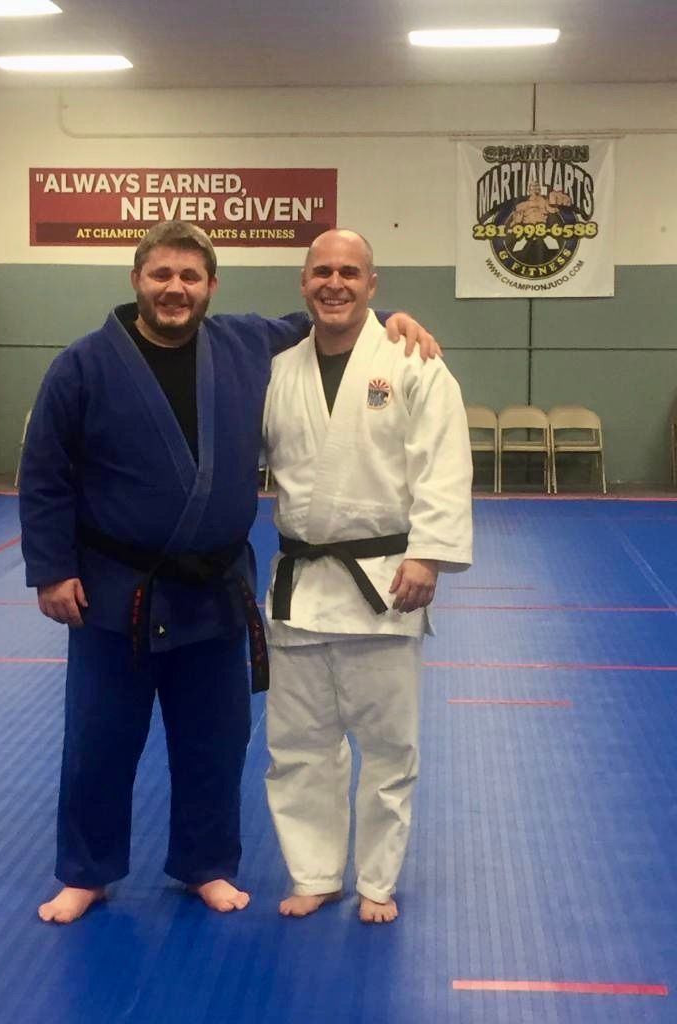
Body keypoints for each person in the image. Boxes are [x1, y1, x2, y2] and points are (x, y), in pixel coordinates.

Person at [18, 220, 440, 924]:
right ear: (136, 281)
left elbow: (331, 318)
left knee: (214, 738)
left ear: (212, 286)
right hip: (113, 588)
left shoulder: (246, 344)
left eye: (190, 277)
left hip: (213, 590)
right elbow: (44, 474)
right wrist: (52, 570)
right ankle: (86, 873)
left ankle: (205, 865)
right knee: (97, 738)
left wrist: (391, 319)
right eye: (161, 275)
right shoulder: (84, 364)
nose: (174, 289)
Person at [263, 229, 473, 924]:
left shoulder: (412, 360)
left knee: (389, 746)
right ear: (303, 283)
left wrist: (430, 553)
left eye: (350, 272)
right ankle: (316, 872)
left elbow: (443, 460)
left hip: (385, 580)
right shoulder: (278, 368)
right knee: (298, 745)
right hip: (301, 582)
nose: (335, 283)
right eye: (322, 271)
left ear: (373, 284)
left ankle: (376, 880)